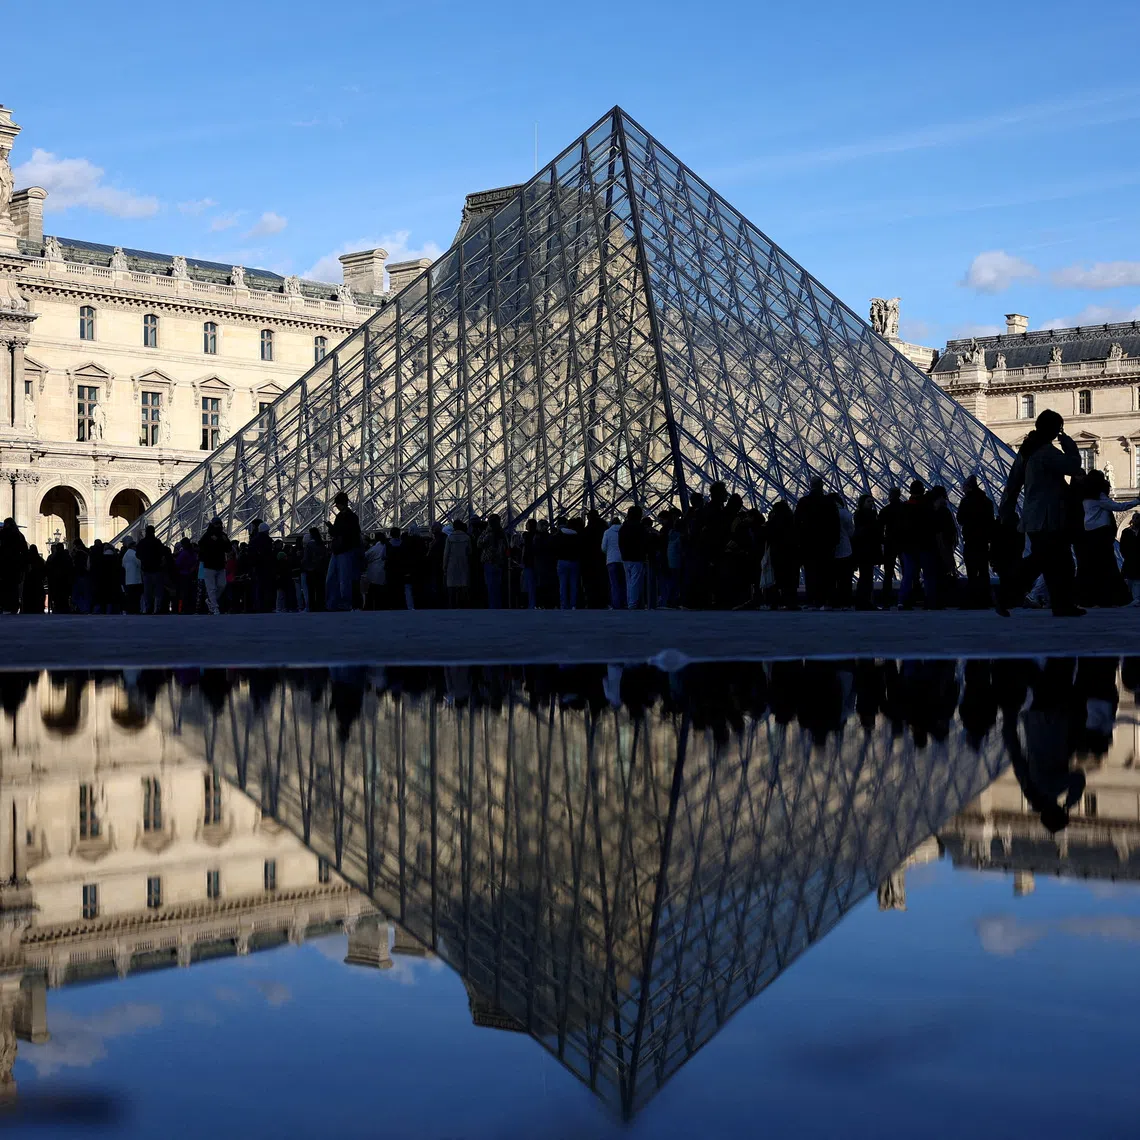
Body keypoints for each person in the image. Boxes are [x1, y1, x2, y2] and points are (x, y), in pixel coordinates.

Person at [999, 408, 1085, 617]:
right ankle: (1006, 597)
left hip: (1033, 517)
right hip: (1050, 517)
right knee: (1051, 562)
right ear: (1055, 430)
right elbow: (1073, 466)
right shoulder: (1046, 452)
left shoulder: (1026, 452)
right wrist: (1071, 447)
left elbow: (1012, 485)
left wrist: (1006, 510)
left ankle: (1060, 605)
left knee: (1050, 562)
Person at [1077, 471, 1139, 606]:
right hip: (1101, 534)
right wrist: (1137, 500)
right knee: (1108, 567)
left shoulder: (1086, 498)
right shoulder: (1099, 497)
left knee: (1093, 568)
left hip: (1089, 534)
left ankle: (1092, 598)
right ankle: (1117, 598)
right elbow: (1119, 506)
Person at [794, 478, 839, 608]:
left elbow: (796, 524)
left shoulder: (803, 502)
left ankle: (812, 599)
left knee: (810, 573)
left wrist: (799, 542)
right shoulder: (829, 502)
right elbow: (835, 524)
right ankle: (826, 599)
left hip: (808, 544)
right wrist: (834, 542)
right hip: (826, 544)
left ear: (810, 485)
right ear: (822, 486)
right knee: (826, 573)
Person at [957, 475, 995, 608]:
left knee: (972, 572)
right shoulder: (987, 501)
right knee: (984, 571)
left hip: (971, 539)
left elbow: (960, 519)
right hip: (984, 540)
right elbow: (991, 522)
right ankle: (986, 599)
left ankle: (973, 600)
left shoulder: (966, 501)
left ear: (968, 487)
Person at [326, 492, 363, 611]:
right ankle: (335, 603)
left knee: (343, 579)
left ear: (342, 503)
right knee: (333, 578)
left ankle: (344, 603)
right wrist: (332, 529)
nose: (336, 506)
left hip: (345, 551)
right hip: (338, 550)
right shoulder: (341, 516)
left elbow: (348, 533)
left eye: (337, 504)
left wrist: (334, 529)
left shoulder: (350, 517)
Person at [851, 494, 881, 609]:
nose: (871, 503)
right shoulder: (867, 516)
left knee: (866, 576)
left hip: (865, 549)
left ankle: (863, 601)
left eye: (872, 502)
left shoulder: (859, 515)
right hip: (866, 550)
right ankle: (864, 601)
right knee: (866, 577)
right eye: (869, 501)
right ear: (862, 502)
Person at [878, 487, 905, 606]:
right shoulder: (905, 509)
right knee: (907, 571)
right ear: (899, 495)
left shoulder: (885, 510)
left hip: (890, 543)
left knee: (888, 573)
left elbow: (879, 529)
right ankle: (907, 598)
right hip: (904, 543)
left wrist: (883, 542)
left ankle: (886, 600)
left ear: (889, 496)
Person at [198, 518, 230, 615]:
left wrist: (224, 542)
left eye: (220, 524)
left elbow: (228, 548)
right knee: (211, 588)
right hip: (209, 565)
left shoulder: (223, 535)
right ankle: (215, 608)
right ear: (212, 525)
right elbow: (201, 546)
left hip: (220, 565)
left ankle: (211, 601)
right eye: (216, 524)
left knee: (222, 585)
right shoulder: (207, 535)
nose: (219, 526)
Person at [618, 505, 647, 609]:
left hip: (626, 557)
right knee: (635, 581)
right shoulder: (640, 527)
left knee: (629, 581)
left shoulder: (623, 527)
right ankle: (633, 603)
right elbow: (644, 542)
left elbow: (620, 543)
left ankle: (630, 601)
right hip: (637, 557)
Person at [477, 514, 508, 609]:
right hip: (499, 562)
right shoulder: (502, 533)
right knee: (497, 586)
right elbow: (506, 547)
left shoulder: (488, 533)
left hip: (489, 561)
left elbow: (479, 544)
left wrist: (485, 532)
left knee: (490, 585)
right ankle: (498, 605)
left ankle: (493, 606)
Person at [135, 525, 168, 614]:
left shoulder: (142, 542)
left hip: (146, 569)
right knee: (158, 590)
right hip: (157, 569)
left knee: (147, 590)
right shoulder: (157, 542)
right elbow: (162, 553)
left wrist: (144, 559)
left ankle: (148, 608)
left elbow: (137, 554)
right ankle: (157, 608)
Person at [0, 517, 28, 613]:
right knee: (14, 587)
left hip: (5, 564)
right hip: (16, 565)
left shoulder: (3, 534)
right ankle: (13, 607)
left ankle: (6, 606)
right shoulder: (19, 535)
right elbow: (25, 551)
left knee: (5, 586)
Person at [554, 516, 582, 610]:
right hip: (574, 561)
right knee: (573, 584)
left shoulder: (558, 536)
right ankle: (573, 604)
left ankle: (563, 605)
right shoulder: (576, 535)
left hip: (562, 561)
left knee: (563, 584)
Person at [832, 493, 855, 608]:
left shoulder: (826, 513)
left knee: (833, 578)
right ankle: (846, 601)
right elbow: (851, 532)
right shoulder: (845, 513)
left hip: (831, 550)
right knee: (846, 578)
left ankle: (834, 601)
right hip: (846, 549)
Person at [443, 520, 472, 607]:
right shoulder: (467, 538)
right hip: (463, 563)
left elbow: (446, 553)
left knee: (452, 586)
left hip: (452, 564)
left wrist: (444, 566)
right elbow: (470, 552)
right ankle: (463, 605)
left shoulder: (449, 538)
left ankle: (452, 605)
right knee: (463, 585)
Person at [601, 516, 625, 608]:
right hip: (623, 560)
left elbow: (603, 548)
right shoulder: (623, 531)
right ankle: (625, 603)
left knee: (614, 584)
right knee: (624, 583)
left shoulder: (607, 532)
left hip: (611, 560)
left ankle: (616, 604)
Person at [45, 541, 74, 614]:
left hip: (56, 580)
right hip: (64, 580)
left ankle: (58, 607)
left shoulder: (53, 557)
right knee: (64, 596)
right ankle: (64, 607)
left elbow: (48, 568)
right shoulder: (67, 557)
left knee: (58, 596)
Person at [1120, 514, 1140, 606]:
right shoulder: (1126, 532)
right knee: (1129, 579)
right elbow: (1122, 546)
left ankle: (1136, 598)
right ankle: (1130, 598)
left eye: (1138, 518)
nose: (1136, 520)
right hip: (1129, 559)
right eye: (1135, 518)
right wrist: (1126, 555)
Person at [21, 543, 45, 614]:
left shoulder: (27, 559)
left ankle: (28, 609)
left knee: (29, 597)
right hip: (37, 582)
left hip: (29, 582)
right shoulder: (40, 560)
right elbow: (43, 571)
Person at [121, 540, 142, 613]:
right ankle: (136, 609)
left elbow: (123, 565)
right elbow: (139, 564)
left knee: (130, 596)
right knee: (136, 596)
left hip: (128, 579)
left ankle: (130, 609)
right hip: (136, 578)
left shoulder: (125, 555)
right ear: (133, 547)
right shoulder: (134, 554)